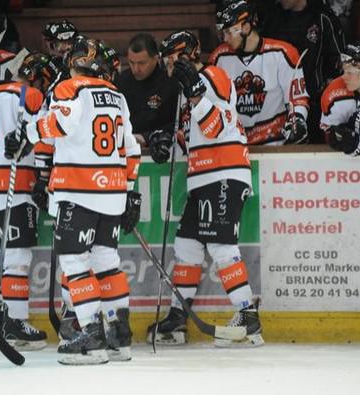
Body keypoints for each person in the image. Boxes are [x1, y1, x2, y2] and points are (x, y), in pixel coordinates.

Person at [5, 38, 142, 365]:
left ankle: (91, 335)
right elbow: (131, 150)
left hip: (78, 189)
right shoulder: (118, 96)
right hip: (112, 192)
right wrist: (130, 191)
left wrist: (29, 132)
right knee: (106, 260)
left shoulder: (70, 88)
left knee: (75, 263)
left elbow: (58, 124)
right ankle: (118, 336)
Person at [146, 30, 263, 348]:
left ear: (185, 55)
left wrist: (197, 94)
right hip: (204, 179)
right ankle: (178, 318)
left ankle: (248, 317)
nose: (167, 64)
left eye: (171, 57)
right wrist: (164, 143)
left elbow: (216, 126)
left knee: (222, 248)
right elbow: (193, 138)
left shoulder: (212, 75)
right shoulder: (186, 91)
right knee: (187, 246)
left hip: (222, 174)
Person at [0, 53, 54, 351]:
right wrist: (44, 177)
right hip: (14, 181)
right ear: (36, 77)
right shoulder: (29, 94)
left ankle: (0, 319)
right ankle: (17, 323)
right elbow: (44, 138)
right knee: (18, 258)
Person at [208, 0, 310, 146]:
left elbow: (297, 98)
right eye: (223, 33)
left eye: (229, 32)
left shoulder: (283, 53)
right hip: (235, 145)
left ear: (246, 27)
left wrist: (298, 120)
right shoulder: (218, 58)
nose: (225, 39)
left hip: (276, 145)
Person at [260, 0, 346, 143]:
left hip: (314, 108)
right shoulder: (271, 17)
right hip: (275, 108)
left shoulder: (323, 18)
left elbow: (339, 65)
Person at [116, 33, 180, 149]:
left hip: (161, 151)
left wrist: (147, 137)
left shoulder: (170, 83)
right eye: (131, 62)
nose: (136, 69)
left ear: (156, 58)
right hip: (125, 151)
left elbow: (177, 124)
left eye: (141, 63)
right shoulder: (120, 82)